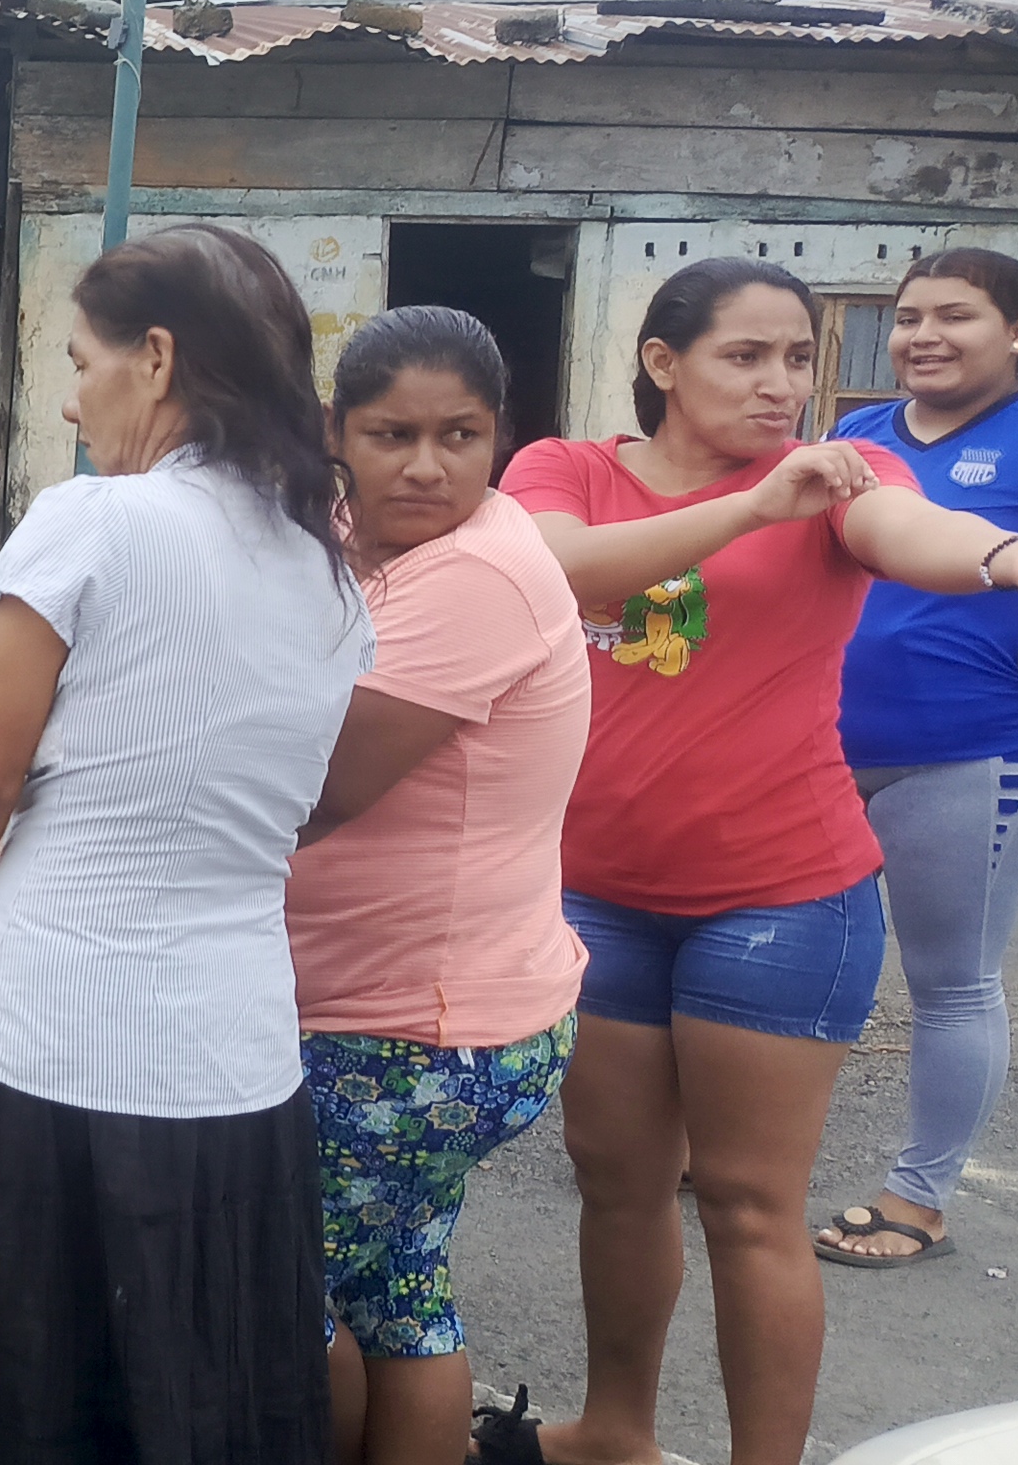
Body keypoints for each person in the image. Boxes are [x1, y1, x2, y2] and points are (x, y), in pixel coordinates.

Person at [482, 257, 1018, 1465]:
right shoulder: (566, 469)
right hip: (594, 898)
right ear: (662, 363)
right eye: (746, 356)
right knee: (619, 1188)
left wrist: (1009, 555)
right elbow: (557, 568)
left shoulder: (842, 474)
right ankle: (616, 1434)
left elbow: (911, 528)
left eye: (799, 358)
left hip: (783, 901)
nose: (781, 384)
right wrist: (752, 508)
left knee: (749, 1206)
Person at [0, 223, 370, 1465]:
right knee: (208, 1400)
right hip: (241, 1064)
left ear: (155, 359)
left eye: (79, 361)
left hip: (61, 1050)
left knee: (37, 1405)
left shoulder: (95, 521)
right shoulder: (324, 571)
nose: (69, 398)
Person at [283, 307, 591, 1465]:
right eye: (392, 434)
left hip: (403, 1032)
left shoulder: (480, 571)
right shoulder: (355, 534)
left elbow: (316, 789)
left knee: (275, 1298)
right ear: (336, 432)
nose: (427, 465)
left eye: (459, 435)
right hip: (446, 1017)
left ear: (500, 431)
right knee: (396, 1291)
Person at [819, 249, 1018, 1272]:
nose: (922, 335)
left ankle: (920, 1199)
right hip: (822, 749)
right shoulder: (858, 439)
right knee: (796, 963)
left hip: (971, 753)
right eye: (909, 316)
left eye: (954, 315)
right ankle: (732, 1147)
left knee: (951, 982)